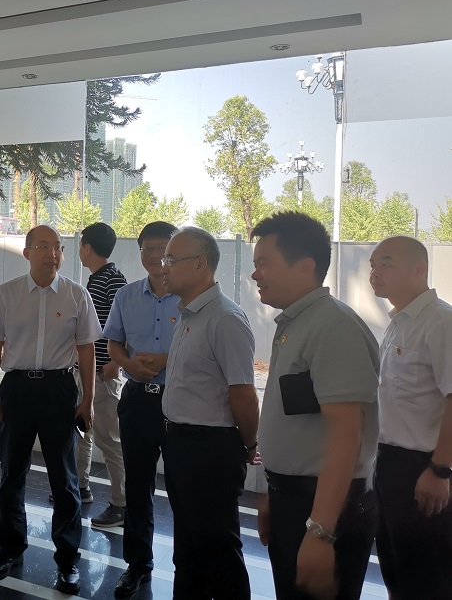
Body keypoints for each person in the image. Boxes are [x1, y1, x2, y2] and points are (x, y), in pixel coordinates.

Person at [253, 212, 378, 600]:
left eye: (264, 263)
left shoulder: (333, 327)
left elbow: (346, 435)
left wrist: (320, 532)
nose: (255, 274)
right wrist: (274, 494)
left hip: (326, 506)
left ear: (305, 266)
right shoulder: (298, 322)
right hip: (296, 499)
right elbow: (300, 425)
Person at [0, 224, 101, 596]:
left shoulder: (77, 295)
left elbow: (86, 350)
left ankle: (67, 559)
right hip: (16, 389)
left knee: (65, 480)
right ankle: (9, 548)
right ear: (27, 252)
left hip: (58, 390)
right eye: (44, 246)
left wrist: (87, 400)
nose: (52, 253)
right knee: (11, 475)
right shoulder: (6, 294)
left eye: (58, 247)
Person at [161, 226, 260, 600]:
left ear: (200, 264)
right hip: (182, 444)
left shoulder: (225, 318)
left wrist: (248, 444)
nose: (164, 266)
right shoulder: (189, 315)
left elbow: (244, 395)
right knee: (188, 548)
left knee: (218, 550)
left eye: (172, 259)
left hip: (211, 450)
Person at [369, 236, 452, 599]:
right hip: (390, 465)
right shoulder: (398, 322)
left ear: (419, 269)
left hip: (425, 468)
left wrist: (441, 470)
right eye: (373, 265)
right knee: (397, 571)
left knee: (428, 579)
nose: (375, 273)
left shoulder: (441, 322)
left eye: (385, 264)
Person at [103, 220, 179, 598]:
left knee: (183, 487)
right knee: (137, 485)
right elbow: (114, 343)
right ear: (141, 254)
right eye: (149, 249)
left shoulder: (192, 298)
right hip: (137, 401)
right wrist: (127, 363)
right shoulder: (126, 296)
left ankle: (188, 566)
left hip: (181, 403)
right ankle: (137, 564)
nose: (156, 256)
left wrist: (168, 360)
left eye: (164, 249)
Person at [70, 222, 127, 526]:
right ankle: (81, 486)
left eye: (81, 245)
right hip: (87, 371)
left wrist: (116, 363)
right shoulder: (96, 279)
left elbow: (126, 323)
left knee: (109, 439)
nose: (79, 250)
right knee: (83, 431)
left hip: (104, 373)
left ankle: (122, 503)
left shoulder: (112, 279)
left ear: (88, 248)